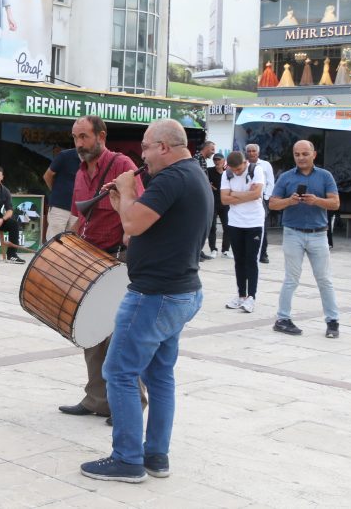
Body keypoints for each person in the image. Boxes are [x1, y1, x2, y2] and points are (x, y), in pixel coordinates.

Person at [80, 119, 210, 483]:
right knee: (159, 375)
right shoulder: (194, 175)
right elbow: (135, 229)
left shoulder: (171, 179)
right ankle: (156, 456)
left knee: (118, 372)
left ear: (164, 147)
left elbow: (133, 226)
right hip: (181, 291)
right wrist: (124, 200)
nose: (143, 156)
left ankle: (127, 458)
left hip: (155, 296)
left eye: (146, 148)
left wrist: (126, 187)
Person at [61, 116, 145, 426]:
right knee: (90, 331)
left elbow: (139, 210)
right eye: (75, 137)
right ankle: (97, 400)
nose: (79, 144)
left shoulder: (122, 164)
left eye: (84, 137)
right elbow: (77, 215)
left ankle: (132, 403)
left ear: (101, 136)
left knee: (119, 336)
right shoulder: (81, 170)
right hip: (90, 258)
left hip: (119, 260)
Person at [268, 141, 341, 338]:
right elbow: (273, 204)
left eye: (305, 154)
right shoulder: (286, 177)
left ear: (314, 155)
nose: (301, 157)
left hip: (318, 234)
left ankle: (332, 321)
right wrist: (289, 201)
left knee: (324, 279)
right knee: (291, 278)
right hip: (293, 233)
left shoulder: (325, 176)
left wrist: (316, 201)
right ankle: (282, 319)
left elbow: (335, 203)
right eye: (297, 154)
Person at [220, 151, 266, 313]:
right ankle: (241, 295)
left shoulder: (256, 170)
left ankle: (251, 297)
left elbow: (256, 194)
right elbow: (224, 199)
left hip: (254, 222)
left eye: (239, 169)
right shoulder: (227, 174)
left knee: (251, 259)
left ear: (245, 163)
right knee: (239, 260)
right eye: (234, 170)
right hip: (235, 222)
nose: (237, 173)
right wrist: (247, 194)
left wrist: (234, 194)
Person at [0, 166, 25, 264]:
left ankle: (12, 255)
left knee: (14, 224)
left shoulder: (5, 191)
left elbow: (10, 210)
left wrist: (2, 219)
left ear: (2, 177)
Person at [246, 144, 276, 264]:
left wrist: (266, 197)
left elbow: (271, 182)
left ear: (258, 153)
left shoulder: (265, 165)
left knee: (262, 227)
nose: (252, 153)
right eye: (249, 151)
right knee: (246, 227)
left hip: (261, 199)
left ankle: (263, 254)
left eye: (254, 151)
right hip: (245, 200)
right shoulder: (243, 165)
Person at [44, 147, 79, 238]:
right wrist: (55, 191)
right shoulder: (65, 155)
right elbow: (47, 175)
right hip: (59, 206)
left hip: (77, 209)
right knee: (54, 241)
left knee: (73, 242)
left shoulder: (91, 159)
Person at [194, 141, 216, 261]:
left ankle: (199, 251)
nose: (213, 152)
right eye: (212, 149)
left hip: (202, 195)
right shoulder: (197, 159)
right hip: (198, 198)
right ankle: (195, 253)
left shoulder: (201, 159)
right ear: (206, 148)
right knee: (197, 226)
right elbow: (197, 178)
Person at [207, 155, 231, 259]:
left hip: (225, 203)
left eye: (219, 160)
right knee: (212, 227)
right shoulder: (209, 171)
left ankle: (225, 250)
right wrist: (207, 184)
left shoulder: (228, 173)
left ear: (224, 161)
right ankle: (213, 249)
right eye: (215, 160)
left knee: (228, 227)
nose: (217, 162)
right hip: (213, 203)